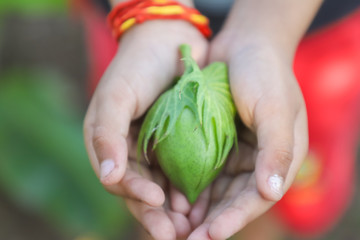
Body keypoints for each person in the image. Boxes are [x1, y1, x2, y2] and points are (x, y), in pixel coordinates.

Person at [82, 0, 360, 239]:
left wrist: (267, 33)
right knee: (145, 192)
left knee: (272, 176)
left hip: (306, 26)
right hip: (135, 22)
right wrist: (153, 17)